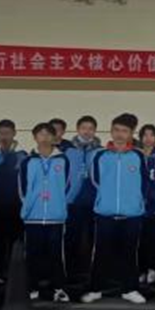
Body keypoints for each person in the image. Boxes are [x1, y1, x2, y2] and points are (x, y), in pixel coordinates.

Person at [82, 113, 147, 304]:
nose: (120, 134)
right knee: (101, 253)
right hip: (105, 213)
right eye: (116, 130)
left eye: (124, 131)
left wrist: (136, 202)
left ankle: (130, 289)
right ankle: (95, 289)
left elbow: (145, 183)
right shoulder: (99, 155)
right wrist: (105, 200)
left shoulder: (138, 156)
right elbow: (94, 180)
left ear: (131, 133)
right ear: (111, 131)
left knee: (130, 253)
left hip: (132, 213)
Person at [18, 123, 72, 302]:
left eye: (48, 134)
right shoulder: (28, 161)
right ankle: (32, 287)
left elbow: (68, 185)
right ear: (35, 137)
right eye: (40, 134)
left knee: (56, 255)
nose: (44, 137)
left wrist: (59, 204)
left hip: (56, 217)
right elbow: (22, 188)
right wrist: (29, 206)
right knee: (33, 254)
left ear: (54, 137)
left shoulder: (63, 160)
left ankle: (58, 288)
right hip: (32, 217)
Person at [0, 119, 28, 291]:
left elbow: (25, 179)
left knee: (14, 240)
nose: (4, 137)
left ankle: (14, 272)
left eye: (8, 133)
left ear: (14, 133)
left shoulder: (22, 155)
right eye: (1, 133)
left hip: (15, 206)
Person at [64, 115, 102, 292]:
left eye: (91, 128)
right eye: (84, 128)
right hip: (72, 202)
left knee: (94, 240)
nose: (87, 131)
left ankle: (92, 274)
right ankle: (70, 273)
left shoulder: (101, 152)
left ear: (95, 131)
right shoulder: (68, 151)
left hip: (95, 202)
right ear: (78, 129)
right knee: (72, 238)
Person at [137, 123, 155, 287]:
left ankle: (153, 268)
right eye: (145, 135)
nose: (148, 138)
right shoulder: (135, 155)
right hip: (136, 204)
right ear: (140, 137)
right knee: (139, 239)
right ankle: (141, 269)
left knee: (154, 238)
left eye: (152, 135)